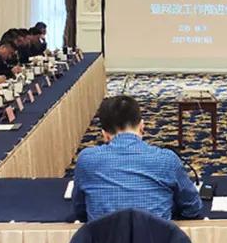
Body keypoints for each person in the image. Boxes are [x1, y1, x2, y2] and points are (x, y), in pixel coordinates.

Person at [73, 95, 203, 222]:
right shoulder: (167, 159)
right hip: (155, 236)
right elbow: (192, 207)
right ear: (142, 126)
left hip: (103, 237)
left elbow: (80, 210)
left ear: (104, 135)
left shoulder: (86, 160)